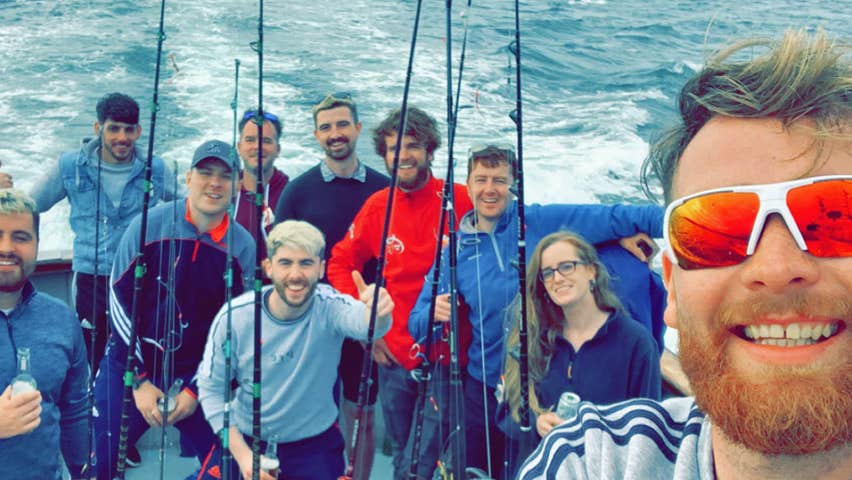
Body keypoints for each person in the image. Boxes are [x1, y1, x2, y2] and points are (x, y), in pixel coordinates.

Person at [518, 29, 851, 480]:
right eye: (716, 228)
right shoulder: (588, 460)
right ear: (671, 287)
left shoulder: (631, 340)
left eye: (836, 217)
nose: (776, 269)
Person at [408, 144, 664, 477]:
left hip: (536, 381)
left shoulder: (540, 220)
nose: (490, 189)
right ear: (467, 187)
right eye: (481, 179)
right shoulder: (453, 251)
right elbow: (417, 321)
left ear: (512, 183)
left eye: (499, 180)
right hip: (482, 388)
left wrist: (681, 220)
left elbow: (613, 218)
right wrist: (432, 314)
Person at [93, 139, 255, 479]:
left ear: (237, 183)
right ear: (188, 178)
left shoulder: (244, 247)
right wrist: (137, 379)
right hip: (131, 363)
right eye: (205, 173)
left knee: (230, 469)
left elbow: (238, 329)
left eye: (225, 176)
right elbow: (118, 300)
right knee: (100, 463)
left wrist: (197, 388)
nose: (214, 183)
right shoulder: (146, 226)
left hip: (204, 374)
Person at [326, 106, 473, 479]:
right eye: (393, 148)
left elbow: (526, 227)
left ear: (430, 149)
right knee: (404, 457)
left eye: (411, 146)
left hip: (450, 361)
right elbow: (340, 264)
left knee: (421, 464)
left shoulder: (462, 200)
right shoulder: (378, 207)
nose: (402, 156)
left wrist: (622, 235)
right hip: (393, 359)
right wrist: (365, 326)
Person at [196, 220, 393, 480]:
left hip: (315, 446)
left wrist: (379, 312)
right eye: (285, 263)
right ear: (269, 267)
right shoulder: (235, 316)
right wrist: (244, 458)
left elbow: (368, 326)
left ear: (321, 268)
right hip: (245, 441)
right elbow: (210, 388)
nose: (296, 274)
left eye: (306, 263)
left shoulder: (331, 306)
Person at [274, 92, 387, 479]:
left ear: (357, 128)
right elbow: (278, 264)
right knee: (305, 413)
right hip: (311, 323)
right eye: (326, 127)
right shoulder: (298, 191)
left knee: (361, 416)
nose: (335, 133)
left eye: (342, 124)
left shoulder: (383, 188)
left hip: (363, 324)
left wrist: (377, 325)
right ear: (316, 135)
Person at [28, 92, 179, 383]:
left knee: (138, 356)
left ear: (138, 130)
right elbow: (30, 204)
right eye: (113, 128)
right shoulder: (69, 166)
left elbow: (185, 207)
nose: (122, 137)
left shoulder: (156, 169)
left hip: (138, 277)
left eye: (128, 129)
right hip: (89, 280)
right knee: (93, 355)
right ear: (98, 129)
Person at [499, 231, 661, 477]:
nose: (558, 278)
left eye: (567, 266)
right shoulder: (533, 338)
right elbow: (506, 412)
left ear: (591, 271)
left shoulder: (636, 343)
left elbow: (648, 433)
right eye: (548, 273)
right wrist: (536, 423)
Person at [0, 189, 89, 479]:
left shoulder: (62, 318)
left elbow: (75, 410)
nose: (7, 247)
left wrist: (84, 470)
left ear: (37, 244)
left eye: (21, 237)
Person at [235, 108, 289, 259]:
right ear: (239, 147)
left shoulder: (293, 194)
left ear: (277, 150)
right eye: (250, 140)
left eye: (266, 141)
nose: (257, 147)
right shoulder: (223, 192)